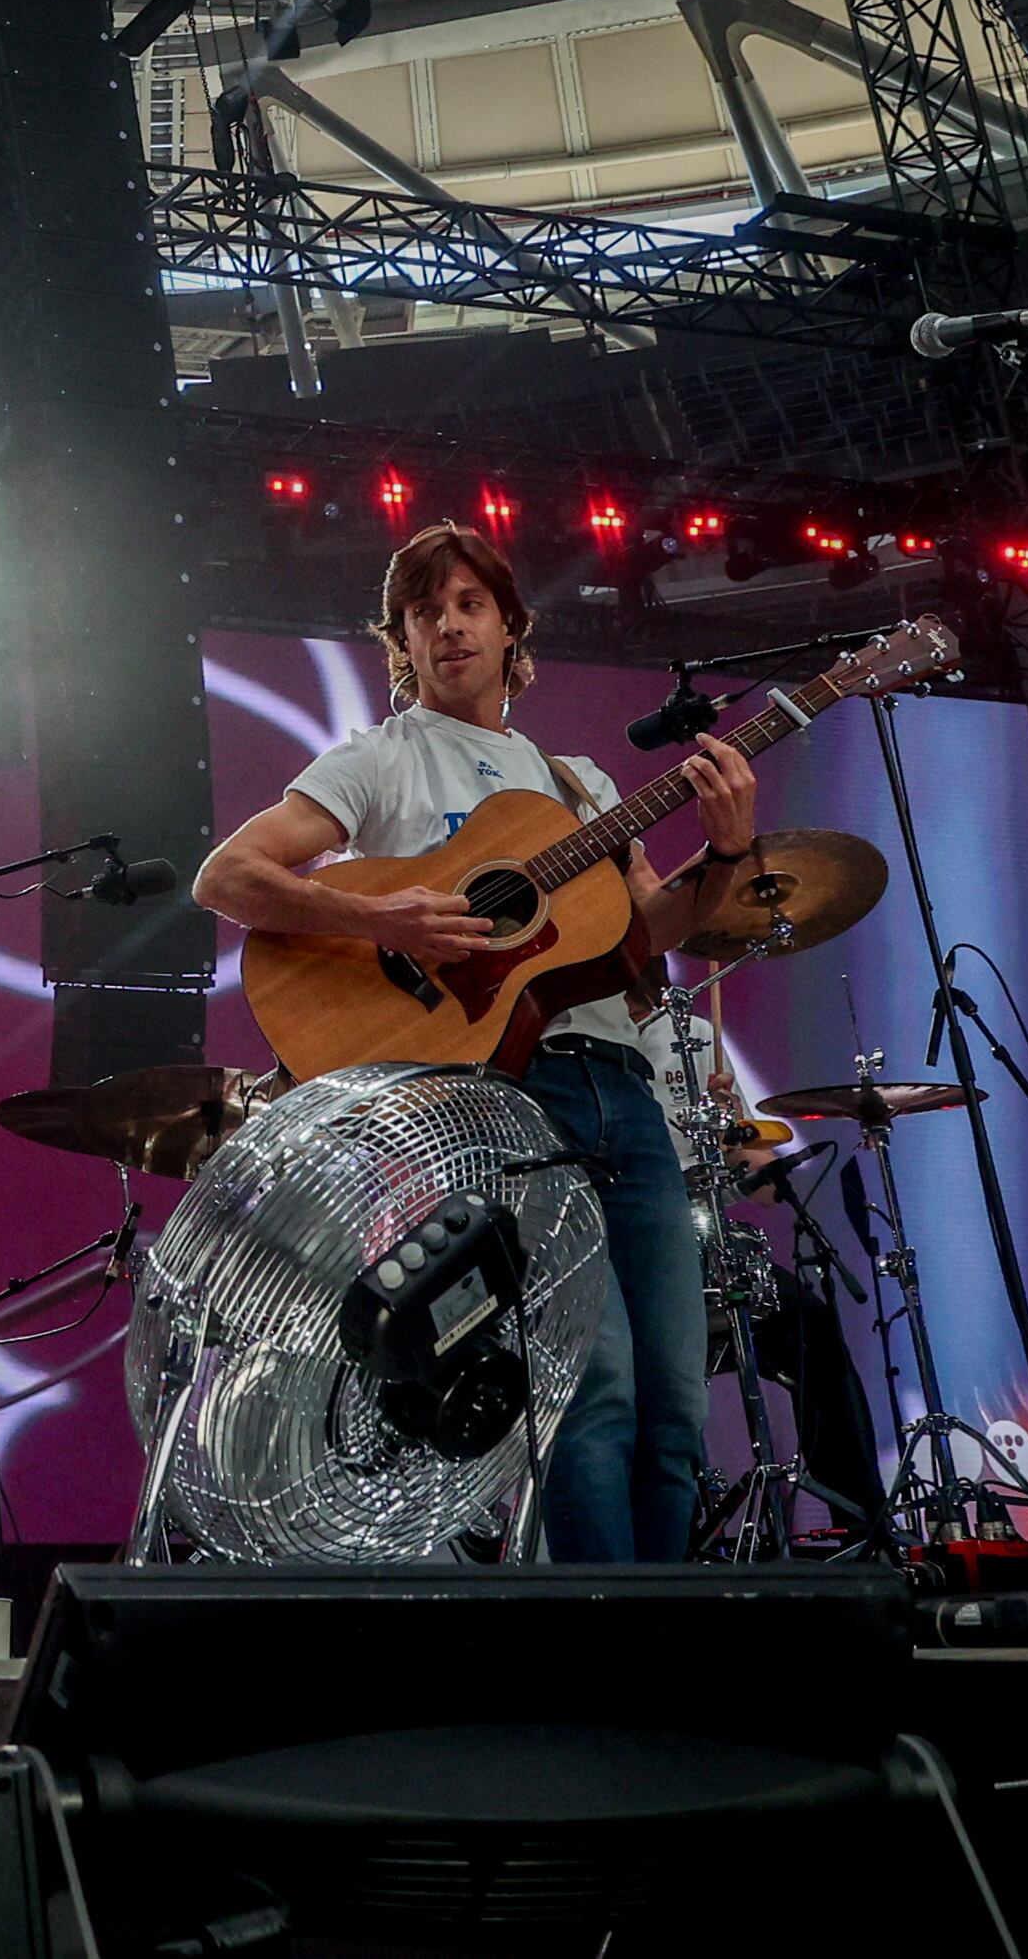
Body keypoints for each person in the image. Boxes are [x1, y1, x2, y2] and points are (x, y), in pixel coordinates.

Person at [190, 521, 760, 1563]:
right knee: (596, 1394)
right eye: (422, 612)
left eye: (466, 606)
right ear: (398, 641)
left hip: (621, 1094)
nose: (446, 626)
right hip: (500, 1103)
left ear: (509, 627)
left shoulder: (576, 780)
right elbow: (225, 877)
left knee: (676, 1407)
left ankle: (669, 1658)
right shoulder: (375, 759)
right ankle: (600, 1659)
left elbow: (648, 933)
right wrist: (385, 921)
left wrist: (726, 851)